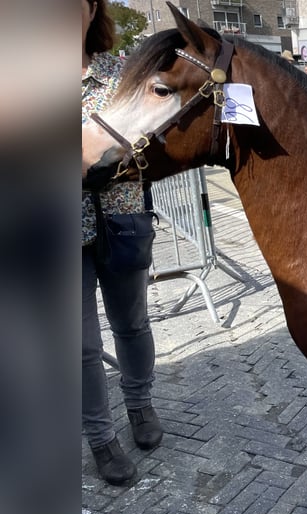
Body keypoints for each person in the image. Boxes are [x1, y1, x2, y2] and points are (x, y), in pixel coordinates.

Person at [82, 0, 163, 486]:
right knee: (79, 345)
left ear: (90, 9)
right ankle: (100, 437)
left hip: (120, 215)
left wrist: (99, 155)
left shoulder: (122, 73)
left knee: (131, 323)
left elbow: (149, 136)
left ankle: (140, 403)